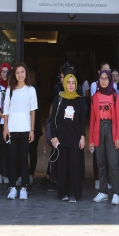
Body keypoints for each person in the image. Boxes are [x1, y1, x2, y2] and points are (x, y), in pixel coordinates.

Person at [49, 74, 86, 202]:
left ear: (76, 85)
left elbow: (82, 121)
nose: (70, 85)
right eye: (68, 82)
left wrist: (82, 137)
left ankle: (73, 193)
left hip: (75, 138)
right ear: (64, 83)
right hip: (61, 138)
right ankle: (63, 192)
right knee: (63, 166)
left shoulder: (80, 100)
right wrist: (53, 136)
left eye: (73, 82)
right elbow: (53, 119)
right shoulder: (59, 99)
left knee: (74, 166)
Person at [3, 62, 38, 200]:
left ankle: (24, 187)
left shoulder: (31, 90)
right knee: (12, 159)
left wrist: (32, 130)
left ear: (26, 73)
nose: (20, 75)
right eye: (17, 72)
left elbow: (33, 111)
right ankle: (12, 187)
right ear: (14, 74)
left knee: (24, 159)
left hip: (25, 129)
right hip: (12, 129)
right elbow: (6, 110)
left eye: (22, 72)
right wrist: (5, 128)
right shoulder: (10, 89)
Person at [90, 69, 119, 205]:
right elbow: (92, 119)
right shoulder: (95, 97)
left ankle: (115, 193)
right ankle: (103, 191)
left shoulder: (115, 96)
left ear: (110, 80)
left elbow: (118, 119)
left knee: (113, 163)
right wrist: (91, 140)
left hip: (111, 129)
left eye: (106, 78)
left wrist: (118, 137)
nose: (103, 81)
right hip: (98, 129)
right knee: (101, 163)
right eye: (101, 78)